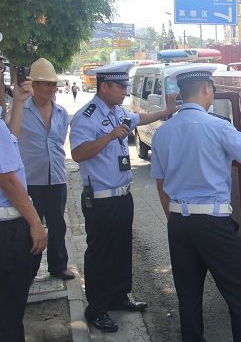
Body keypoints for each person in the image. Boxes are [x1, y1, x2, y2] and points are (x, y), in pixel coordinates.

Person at [150, 65, 241, 342]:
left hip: (179, 223)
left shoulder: (163, 133)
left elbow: (160, 182)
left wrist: (175, 219)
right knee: (238, 294)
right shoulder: (218, 126)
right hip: (213, 224)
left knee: (188, 296)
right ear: (206, 89)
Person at [69, 63, 178, 333]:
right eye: (120, 87)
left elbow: (140, 118)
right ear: (104, 87)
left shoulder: (117, 111)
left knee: (121, 248)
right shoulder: (87, 116)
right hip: (100, 200)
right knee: (100, 254)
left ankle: (119, 296)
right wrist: (108, 137)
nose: (124, 92)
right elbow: (78, 153)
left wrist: (166, 111)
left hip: (122, 196)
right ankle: (97, 309)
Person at [7, 58, 74, 280]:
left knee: (58, 224)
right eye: (47, 84)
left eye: (54, 84)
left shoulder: (61, 112)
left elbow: (59, 142)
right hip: (31, 180)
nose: (52, 89)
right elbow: (11, 136)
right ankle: (30, 270)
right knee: (31, 227)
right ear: (34, 85)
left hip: (56, 177)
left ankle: (58, 265)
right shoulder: (20, 109)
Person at [0, 78, 47, 342]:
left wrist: (18, 102)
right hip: (7, 229)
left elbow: (10, 138)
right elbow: (7, 179)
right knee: (9, 311)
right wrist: (35, 222)